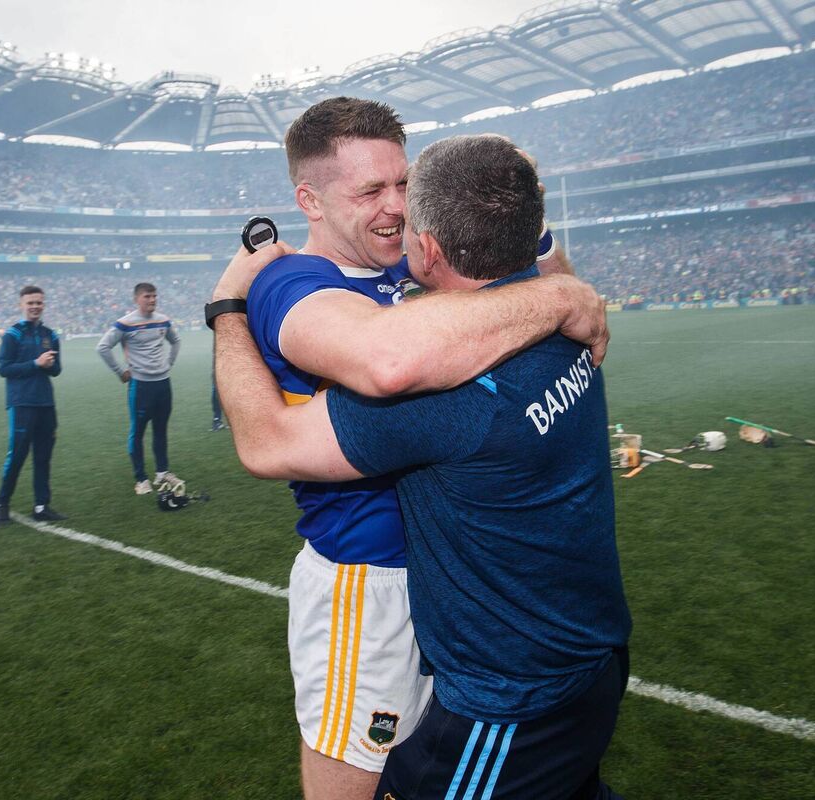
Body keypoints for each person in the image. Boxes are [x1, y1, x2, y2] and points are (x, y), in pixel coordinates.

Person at [208, 98, 608, 800]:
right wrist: (226, 312)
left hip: (451, 583)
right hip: (370, 589)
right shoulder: (294, 285)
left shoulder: (412, 265)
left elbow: (524, 275)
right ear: (311, 200)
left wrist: (550, 261)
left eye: (403, 183)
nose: (397, 207)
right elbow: (385, 359)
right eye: (370, 191)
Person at [96, 282, 182, 495]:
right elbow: (103, 347)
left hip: (163, 383)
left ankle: (162, 472)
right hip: (140, 386)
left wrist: (168, 364)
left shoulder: (163, 320)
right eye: (147, 296)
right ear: (136, 299)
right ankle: (141, 479)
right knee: (138, 432)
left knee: (161, 430)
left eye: (154, 296)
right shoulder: (125, 323)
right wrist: (120, 371)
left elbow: (176, 340)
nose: (152, 300)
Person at [0, 286, 66, 524]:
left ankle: (41, 506)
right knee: (17, 455)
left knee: (43, 456)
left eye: (39, 302)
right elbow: (3, 368)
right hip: (22, 403)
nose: (35, 306)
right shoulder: (12, 334)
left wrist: (49, 365)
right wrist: (36, 363)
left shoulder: (50, 335)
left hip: (46, 403)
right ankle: (3, 503)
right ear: (21, 305)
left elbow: (56, 370)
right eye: (30, 303)